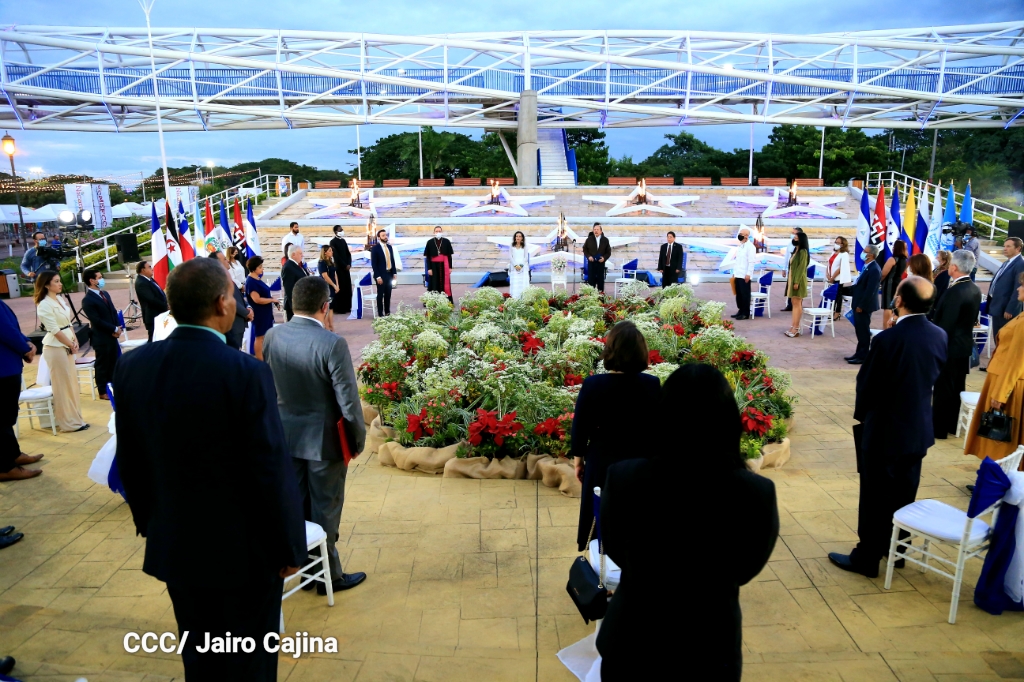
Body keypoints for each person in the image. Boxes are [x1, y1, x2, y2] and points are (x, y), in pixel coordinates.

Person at [114, 258, 306, 681]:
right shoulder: (245, 373)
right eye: (234, 296)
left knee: (199, 655)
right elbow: (270, 470)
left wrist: (152, 523)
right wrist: (289, 546)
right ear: (222, 304)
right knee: (249, 661)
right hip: (244, 555)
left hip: (176, 545)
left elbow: (129, 458)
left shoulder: (132, 365)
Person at [597, 364, 777, 681]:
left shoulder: (624, 478)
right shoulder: (755, 492)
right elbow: (746, 567)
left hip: (633, 639)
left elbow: (613, 546)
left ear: (663, 417)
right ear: (728, 422)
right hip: (709, 645)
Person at [829, 276, 946, 578]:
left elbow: (866, 385)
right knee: (905, 492)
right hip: (918, 429)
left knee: (874, 496)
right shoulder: (939, 335)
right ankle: (897, 551)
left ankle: (867, 558)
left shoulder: (886, 340)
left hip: (885, 431)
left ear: (900, 301)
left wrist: (863, 417)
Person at [264, 277, 368, 595]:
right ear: (325, 306)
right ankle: (329, 577)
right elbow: (349, 402)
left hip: (286, 438)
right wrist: (357, 440)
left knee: (298, 506)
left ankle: (309, 571)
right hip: (324, 441)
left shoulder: (273, 336)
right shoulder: (331, 343)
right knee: (325, 508)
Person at [569, 321, 661, 552]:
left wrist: (579, 460)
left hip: (602, 461)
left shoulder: (593, 384)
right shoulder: (652, 384)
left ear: (610, 350)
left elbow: (580, 427)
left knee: (600, 515)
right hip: (640, 461)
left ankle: (602, 565)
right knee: (637, 518)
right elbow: (659, 428)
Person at [965, 272, 1024, 464]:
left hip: (1008, 385)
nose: (1018, 288)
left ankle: (997, 475)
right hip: (1003, 380)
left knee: (1000, 440)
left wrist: (1000, 394)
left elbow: (1016, 361)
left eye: (1022, 285)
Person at [931, 250, 982, 439]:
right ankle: (953, 424)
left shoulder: (954, 292)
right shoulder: (974, 288)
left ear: (954, 267)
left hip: (949, 347)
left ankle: (939, 428)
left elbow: (946, 324)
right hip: (963, 345)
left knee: (943, 388)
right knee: (957, 386)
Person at [34, 272, 88, 433]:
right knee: (62, 387)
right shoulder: (44, 304)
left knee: (71, 384)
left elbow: (68, 323)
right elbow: (54, 329)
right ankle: (68, 423)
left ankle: (76, 418)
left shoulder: (60, 299)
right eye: (56, 281)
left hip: (68, 343)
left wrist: (75, 341)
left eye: (59, 281)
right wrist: (70, 344)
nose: (60, 284)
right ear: (46, 285)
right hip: (55, 347)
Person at [0, 297, 42, 482]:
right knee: (2, 419)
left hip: (7, 365)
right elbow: (6, 330)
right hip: (3, 368)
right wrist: (25, 348)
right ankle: (5, 467)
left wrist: (27, 342)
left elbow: (11, 327)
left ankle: (13, 455)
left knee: (6, 417)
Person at [80, 268, 122, 401]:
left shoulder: (105, 294)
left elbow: (113, 311)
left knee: (113, 362)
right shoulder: (87, 300)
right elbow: (96, 320)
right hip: (101, 337)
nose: (102, 279)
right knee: (103, 364)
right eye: (99, 277)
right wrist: (113, 328)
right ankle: (103, 390)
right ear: (92, 281)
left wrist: (117, 327)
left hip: (112, 335)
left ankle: (113, 386)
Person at [846, 244, 882, 364]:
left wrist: (861, 305)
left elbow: (870, 290)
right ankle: (858, 353)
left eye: (865, 251)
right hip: (858, 302)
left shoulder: (874, 269)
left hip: (864, 306)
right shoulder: (867, 266)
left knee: (863, 331)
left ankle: (863, 356)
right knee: (859, 330)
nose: (863, 252)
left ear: (871, 255)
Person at [986, 236, 1024, 348]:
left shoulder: (1020, 264)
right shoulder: (1007, 262)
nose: (1005, 249)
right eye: (1004, 246)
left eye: (1008, 246)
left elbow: (1018, 287)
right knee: (998, 339)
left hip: (1006, 311)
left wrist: (1011, 309)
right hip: (997, 307)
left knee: (1005, 341)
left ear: (1018, 248)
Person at [211, 252, 253, 350]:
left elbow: (238, 296)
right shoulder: (218, 280)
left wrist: (248, 306)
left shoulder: (226, 277)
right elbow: (228, 299)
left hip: (239, 322)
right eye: (224, 259)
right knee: (233, 352)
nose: (228, 261)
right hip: (233, 324)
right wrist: (246, 313)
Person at [245, 256, 275, 361]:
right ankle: (260, 360)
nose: (262, 269)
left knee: (265, 336)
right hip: (259, 313)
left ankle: (265, 358)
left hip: (266, 312)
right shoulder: (251, 281)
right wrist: (271, 300)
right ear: (254, 268)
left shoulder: (256, 279)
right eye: (260, 267)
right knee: (260, 337)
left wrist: (272, 300)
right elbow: (256, 299)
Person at [784, 231, 809, 337]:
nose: (794, 239)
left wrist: (796, 281)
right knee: (794, 303)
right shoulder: (795, 250)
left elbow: (801, 268)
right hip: (792, 279)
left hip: (798, 280)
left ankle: (796, 328)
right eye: (794, 237)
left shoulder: (803, 252)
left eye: (796, 238)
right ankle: (793, 326)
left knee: (797, 303)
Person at [135, 260, 168, 342]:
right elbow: (151, 299)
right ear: (143, 270)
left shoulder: (149, 279)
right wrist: (166, 306)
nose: (152, 269)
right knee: (153, 340)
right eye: (149, 267)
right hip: (153, 316)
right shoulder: (141, 283)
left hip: (160, 314)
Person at [879, 239, 908, 329]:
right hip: (898, 283)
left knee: (888, 306)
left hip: (889, 284)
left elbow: (883, 273)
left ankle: (885, 328)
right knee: (894, 306)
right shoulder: (904, 260)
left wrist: (879, 282)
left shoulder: (893, 259)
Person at [370, 229, 397, 317]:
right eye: (383, 235)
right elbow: (374, 264)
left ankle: (387, 312)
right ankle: (380, 313)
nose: (385, 237)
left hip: (389, 274)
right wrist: (378, 276)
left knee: (388, 294)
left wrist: (394, 273)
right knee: (380, 294)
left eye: (386, 235)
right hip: (380, 275)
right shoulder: (375, 249)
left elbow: (392, 260)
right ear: (379, 237)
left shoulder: (389, 247)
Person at [424, 225, 455, 303]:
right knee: (434, 283)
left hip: (444, 265)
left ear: (442, 232)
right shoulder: (430, 242)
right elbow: (428, 257)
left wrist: (450, 267)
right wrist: (429, 268)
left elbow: (449, 256)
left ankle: (446, 300)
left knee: (444, 283)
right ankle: (433, 301)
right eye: (436, 231)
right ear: (434, 232)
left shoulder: (446, 241)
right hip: (433, 266)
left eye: (439, 231)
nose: (438, 233)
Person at [731, 227, 755, 320]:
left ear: (746, 236)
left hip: (745, 275)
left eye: (741, 234)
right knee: (739, 294)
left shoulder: (750, 247)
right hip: (738, 274)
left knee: (745, 294)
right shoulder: (740, 246)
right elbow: (737, 261)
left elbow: (751, 262)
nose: (739, 235)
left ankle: (745, 313)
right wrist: (734, 273)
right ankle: (740, 310)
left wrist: (748, 274)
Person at [826, 236, 852, 320]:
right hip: (831, 277)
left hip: (838, 278)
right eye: (835, 242)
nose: (836, 244)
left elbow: (841, 268)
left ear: (842, 244)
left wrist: (833, 277)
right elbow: (829, 264)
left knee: (838, 296)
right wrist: (827, 274)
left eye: (838, 243)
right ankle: (832, 311)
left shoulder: (844, 254)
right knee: (833, 295)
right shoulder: (833, 253)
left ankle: (837, 313)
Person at [329, 225, 353, 315]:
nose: (342, 231)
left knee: (347, 287)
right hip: (339, 268)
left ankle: (347, 306)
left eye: (342, 229)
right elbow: (336, 256)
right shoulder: (333, 242)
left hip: (346, 268)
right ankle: (340, 308)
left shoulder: (343, 240)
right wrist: (344, 265)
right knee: (341, 287)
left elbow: (348, 253)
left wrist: (349, 264)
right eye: (340, 230)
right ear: (336, 232)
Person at [281, 244, 308, 322]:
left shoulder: (296, 265)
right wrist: (294, 306)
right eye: (300, 253)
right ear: (293, 255)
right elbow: (289, 288)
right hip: (295, 305)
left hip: (302, 302)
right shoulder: (288, 267)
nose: (302, 255)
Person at [583, 223, 611, 293]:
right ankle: (591, 296)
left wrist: (604, 258)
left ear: (601, 231)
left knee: (600, 281)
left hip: (600, 263)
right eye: (594, 229)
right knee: (591, 282)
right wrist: (588, 256)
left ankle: (600, 296)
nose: (596, 231)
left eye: (597, 229)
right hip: (591, 263)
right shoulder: (589, 239)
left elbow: (608, 252)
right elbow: (585, 249)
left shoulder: (605, 240)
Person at [318, 244, 340, 332]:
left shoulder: (331, 262)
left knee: (331, 308)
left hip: (333, 287)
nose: (332, 252)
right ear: (325, 252)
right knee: (326, 308)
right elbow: (325, 276)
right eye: (330, 251)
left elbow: (335, 274)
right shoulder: (322, 263)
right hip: (326, 287)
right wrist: (333, 285)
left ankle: (331, 326)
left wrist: (337, 285)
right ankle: (326, 327)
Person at [781, 228, 803, 312]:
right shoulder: (790, 244)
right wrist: (784, 268)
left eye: (794, 233)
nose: (792, 235)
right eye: (792, 233)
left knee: (796, 286)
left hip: (797, 268)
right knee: (790, 286)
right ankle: (789, 304)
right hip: (790, 267)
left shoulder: (802, 246)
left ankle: (797, 304)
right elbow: (786, 256)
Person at [508, 231, 531, 299]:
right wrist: (515, 265)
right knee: (515, 283)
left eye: (520, 236)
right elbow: (510, 256)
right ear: (515, 237)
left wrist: (521, 265)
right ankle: (515, 298)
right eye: (517, 236)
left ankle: (524, 298)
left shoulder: (525, 246)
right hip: (514, 267)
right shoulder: (511, 245)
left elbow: (526, 257)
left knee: (523, 283)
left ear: (522, 238)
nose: (518, 237)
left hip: (523, 267)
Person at [931, 250, 952, 314]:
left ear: (943, 261)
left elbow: (938, 290)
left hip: (935, 302)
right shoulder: (938, 269)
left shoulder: (945, 273)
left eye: (938, 257)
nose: (935, 258)